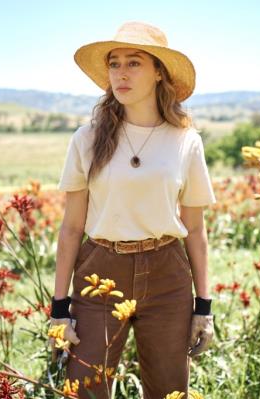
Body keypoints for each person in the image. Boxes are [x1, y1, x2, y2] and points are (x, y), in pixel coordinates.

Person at [49, 21, 217, 399]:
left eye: (134, 63)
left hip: (167, 276)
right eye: (114, 64)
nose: (121, 73)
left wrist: (203, 307)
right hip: (100, 274)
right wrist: (59, 310)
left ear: (159, 72)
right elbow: (72, 227)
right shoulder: (87, 138)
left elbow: (195, 229)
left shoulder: (186, 141)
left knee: (168, 392)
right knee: (85, 389)